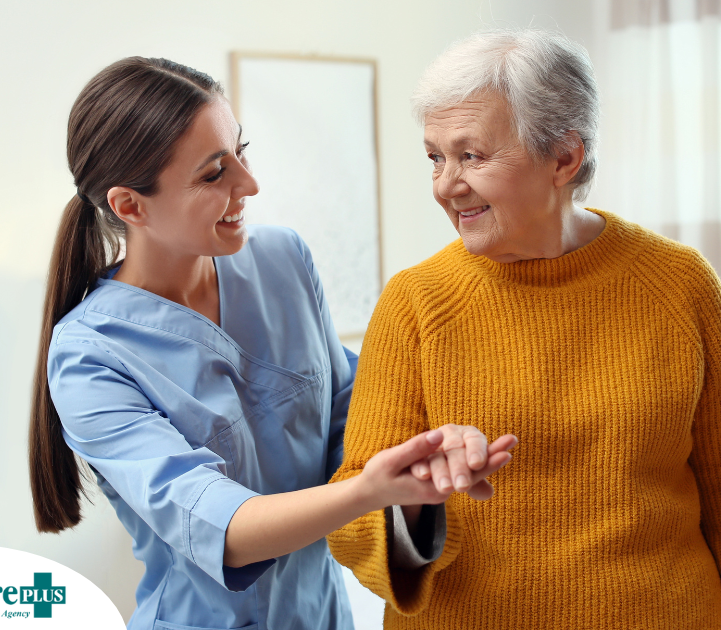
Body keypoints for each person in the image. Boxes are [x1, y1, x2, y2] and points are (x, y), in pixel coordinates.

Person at [26, 57, 514, 630]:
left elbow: (347, 420)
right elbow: (221, 530)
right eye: (214, 174)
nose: (249, 184)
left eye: (241, 151)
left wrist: (419, 463)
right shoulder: (90, 354)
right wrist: (368, 489)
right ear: (130, 206)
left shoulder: (283, 260)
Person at [328, 30, 721, 629]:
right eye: (436, 157)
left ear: (564, 158)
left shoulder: (679, 284)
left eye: (473, 155)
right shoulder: (415, 302)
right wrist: (415, 499)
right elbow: (353, 522)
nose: (446, 184)